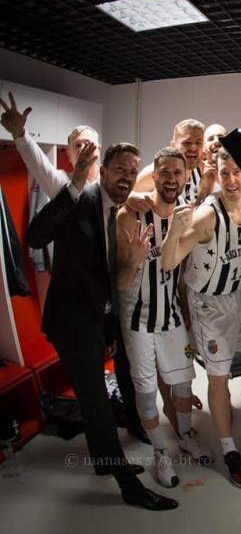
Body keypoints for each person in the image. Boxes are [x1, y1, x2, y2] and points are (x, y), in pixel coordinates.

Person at [27, 142, 177, 511]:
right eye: (120, 169)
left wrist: (109, 329)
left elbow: (108, 276)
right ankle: (128, 485)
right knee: (97, 403)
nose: (127, 177)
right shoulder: (79, 199)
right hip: (71, 321)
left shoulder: (122, 210)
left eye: (132, 171)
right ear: (104, 171)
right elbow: (35, 236)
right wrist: (75, 182)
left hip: (97, 320)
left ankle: (102, 461)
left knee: (96, 396)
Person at [0, 92, 149, 445]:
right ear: (68, 153)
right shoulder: (67, 190)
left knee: (128, 373)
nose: (84, 150)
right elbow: (40, 168)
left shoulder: (117, 192)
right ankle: (109, 456)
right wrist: (21, 136)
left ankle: (134, 424)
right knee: (93, 392)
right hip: (78, 309)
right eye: (76, 145)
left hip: (109, 305)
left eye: (90, 145)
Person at [160, 149, 241, 489]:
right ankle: (229, 450)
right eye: (224, 173)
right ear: (216, 173)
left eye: (237, 171)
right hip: (210, 303)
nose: (231, 179)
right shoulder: (207, 215)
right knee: (218, 376)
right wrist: (173, 231)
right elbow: (169, 262)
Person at [116, 147, 212, 488]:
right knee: (146, 393)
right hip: (137, 320)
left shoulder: (187, 214)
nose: (171, 179)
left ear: (186, 177)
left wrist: (186, 313)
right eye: (165, 173)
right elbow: (119, 280)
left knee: (183, 383)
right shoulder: (130, 215)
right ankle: (160, 452)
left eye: (177, 173)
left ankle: (184, 436)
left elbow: (179, 271)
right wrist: (134, 260)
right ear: (153, 176)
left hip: (171, 317)